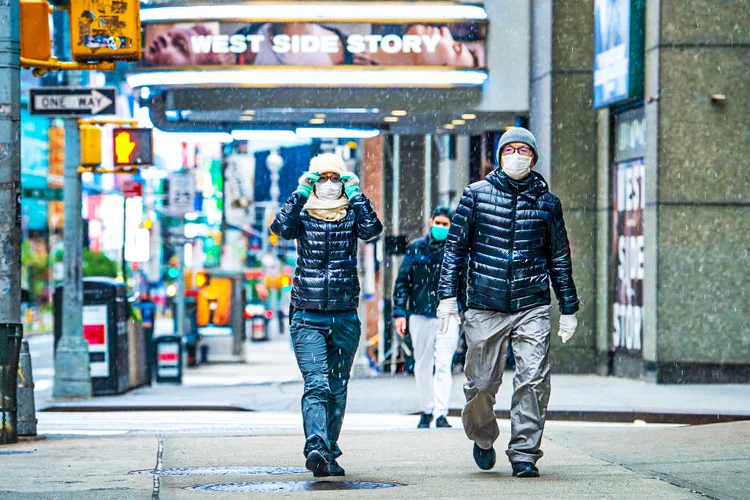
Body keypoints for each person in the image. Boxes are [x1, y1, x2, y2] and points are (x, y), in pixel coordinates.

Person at [437, 127, 579, 478]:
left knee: (533, 379)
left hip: (532, 304)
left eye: (524, 150)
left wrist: (569, 307)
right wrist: (447, 296)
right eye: (510, 150)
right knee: (481, 384)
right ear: (499, 157)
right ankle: (483, 437)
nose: (517, 155)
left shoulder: (548, 204)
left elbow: (559, 257)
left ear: (533, 158)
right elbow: (455, 249)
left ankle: (525, 453)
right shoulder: (476, 196)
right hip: (485, 303)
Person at [270, 153, 383, 478]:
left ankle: (329, 451)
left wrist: (356, 193)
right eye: (323, 178)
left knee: (337, 386)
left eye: (336, 178)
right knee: (317, 383)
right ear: (313, 181)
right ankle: (316, 445)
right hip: (308, 315)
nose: (330, 184)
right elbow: (281, 227)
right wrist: (301, 192)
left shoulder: (351, 213)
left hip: (345, 315)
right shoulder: (303, 214)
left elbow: (372, 229)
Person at [393, 206, 459, 429]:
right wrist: (400, 314)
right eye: (438, 223)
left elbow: (464, 283)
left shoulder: (456, 251)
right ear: (431, 222)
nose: (440, 227)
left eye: (445, 224)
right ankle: (427, 409)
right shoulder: (416, 249)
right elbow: (402, 282)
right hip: (420, 314)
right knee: (422, 365)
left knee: (443, 364)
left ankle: (440, 412)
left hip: (447, 314)